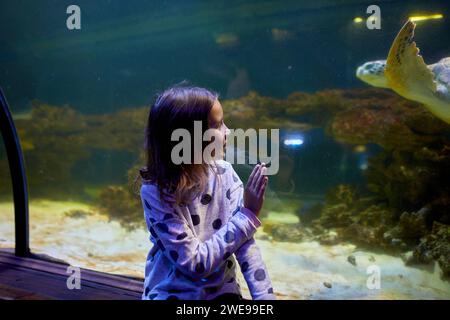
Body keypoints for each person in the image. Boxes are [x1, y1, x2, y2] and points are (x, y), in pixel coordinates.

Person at [139, 85, 275, 300]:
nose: (228, 131)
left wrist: (266, 300)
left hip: (223, 295)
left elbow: (246, 245)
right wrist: (247, 215)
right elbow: (195, 263)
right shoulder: (156, 192)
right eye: (218, 124)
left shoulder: (226, 174)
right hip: (171, 295)